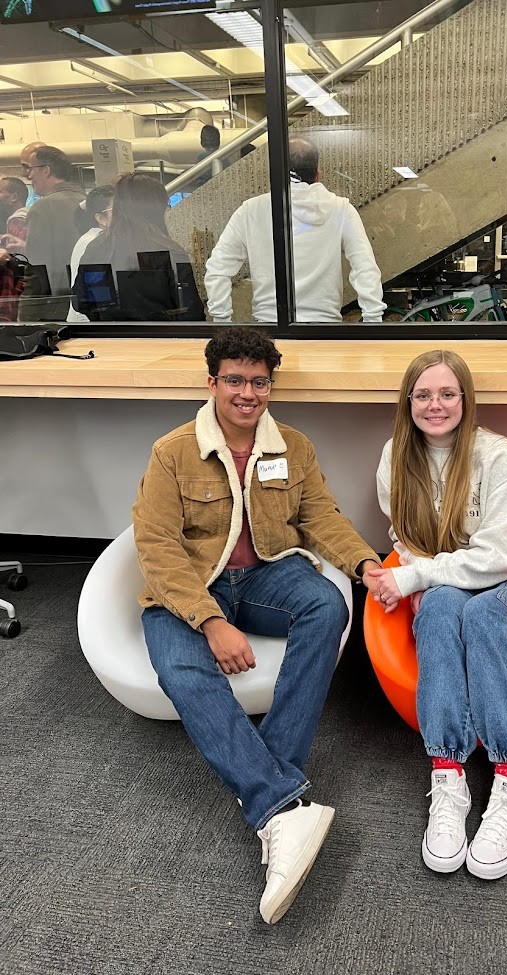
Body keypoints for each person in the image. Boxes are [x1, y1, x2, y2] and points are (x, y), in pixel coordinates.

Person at [132, 326, 381, 923]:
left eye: (259, 382)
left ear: (271, 385)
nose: (247, 393)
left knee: (327, 604)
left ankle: (273, 790)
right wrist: (211, 621)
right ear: (212, 382)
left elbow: (321, 516)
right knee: (181, 667)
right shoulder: (172, 452)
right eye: (235, 381)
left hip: (266, 575)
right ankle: (281, 805)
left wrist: (366, 564)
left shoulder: (292, 445)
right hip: (193, 588)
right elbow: (158, 547)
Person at [368, 350, 507, 879]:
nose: (436, 405)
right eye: (424, 394)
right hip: (455, 583)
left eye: (447, 393)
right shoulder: (395, 457)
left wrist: (413, 577)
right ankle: (449, 775)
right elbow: (405, 541)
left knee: (480, 617)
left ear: (465, 399)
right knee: (435, 613)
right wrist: (419, 578)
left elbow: (500, 557)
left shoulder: (498, 456)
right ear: (408, 401)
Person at [204, 137, 385, 323]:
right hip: (325, 328)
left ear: (275, 174)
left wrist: (222, 321)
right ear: (317, 175)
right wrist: (373, 320)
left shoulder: (250, 211)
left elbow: (217, 269)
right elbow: (365, 268)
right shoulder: (341, 210)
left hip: (269, 328)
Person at [72, 172, 203, 321]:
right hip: (162, 339)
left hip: (108, 338)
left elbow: (81, 301)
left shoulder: (97, 247)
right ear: (156, 209)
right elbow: (192, 311)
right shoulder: (168, 251)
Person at [17, 145, 84, 322]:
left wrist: (23, 321)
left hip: (56, 306)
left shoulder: (43, 208)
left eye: (30, 169)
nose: (28, 176)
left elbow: (36, 269)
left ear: (46, 171)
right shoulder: (86, 202)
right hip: (89, 300)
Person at [67, 185, 114, 323]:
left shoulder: (91, 237)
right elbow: (98, 293)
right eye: (117, 211)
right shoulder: (97, 243)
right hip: (88, 324)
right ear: (100, 218)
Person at [0, 176, 29, 322]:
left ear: (14, 197)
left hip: (16, 291)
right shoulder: (27, 216)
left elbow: (19, 260)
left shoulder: (16, 221)